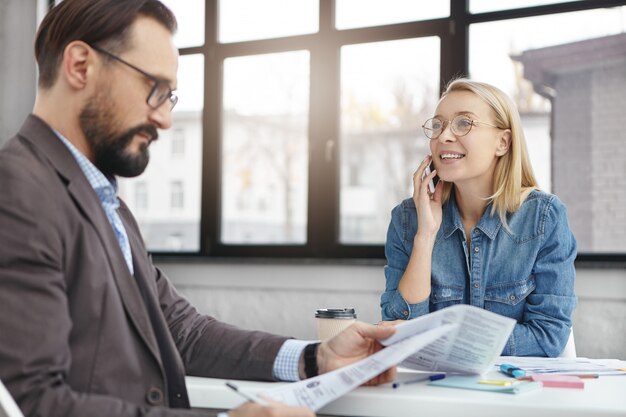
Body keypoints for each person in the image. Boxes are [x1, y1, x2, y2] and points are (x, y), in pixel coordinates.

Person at [0, 1, 396, 417]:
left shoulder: (103, 200)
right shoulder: (17, 192)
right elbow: (31, 402)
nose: (165, 119)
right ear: (80, 66)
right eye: (153, 87)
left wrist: (314, 358)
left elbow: (180, 331)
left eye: (169, 96)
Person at [380, 78, 577, 357]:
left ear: (503, 142)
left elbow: (548, 336)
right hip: (432, 389)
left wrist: (447, 339)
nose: (444, 136)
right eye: (438, 125)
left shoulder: (544, 218)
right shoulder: (407, 219)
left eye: (463, 123)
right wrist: (425, 235)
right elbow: (398, 330)